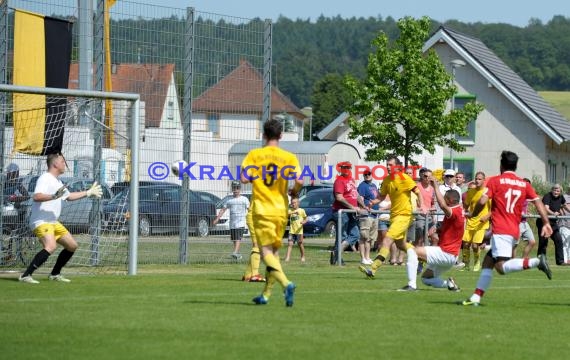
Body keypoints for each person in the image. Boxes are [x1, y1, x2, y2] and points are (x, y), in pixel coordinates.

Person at [461, 151, 553, 306]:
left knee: (501, 267)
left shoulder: (495, 181)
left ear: (501, 164)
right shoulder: (524, 184)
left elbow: (483, 201)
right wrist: (546, 223)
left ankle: (537, 262)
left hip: (501, 230)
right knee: (488, 262)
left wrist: (472, 214)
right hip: (514, 229)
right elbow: (538, 202)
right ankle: (475, 298)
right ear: (515, 166)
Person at [240, 119, 303, 307]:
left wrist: (253, 176)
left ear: (264, 135)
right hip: (281, 210)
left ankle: (286, 284)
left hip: (262, 209)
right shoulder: (289, 157)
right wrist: (294, 191)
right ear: (281, 135)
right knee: (273, 254)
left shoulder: (255, 155)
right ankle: (265, 295)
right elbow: (299, 179)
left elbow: (243, 178)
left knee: (264, 251)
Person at [19, 153, 102, 284]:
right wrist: (53, 196)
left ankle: (55, 274)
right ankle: (26, 275)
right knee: (51, 246)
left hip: (52, 222)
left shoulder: (58, 181)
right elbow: (36, 196)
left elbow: (68, 196)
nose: (65, 164)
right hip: (41, 221)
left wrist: (88, 192)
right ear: (55, 164)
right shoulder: (45, 178)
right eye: (63, 162)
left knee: (72, 246)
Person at [359, 155, 424, 284]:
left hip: (405, 216)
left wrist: (421, 205)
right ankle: (422, 257)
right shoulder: (387, 180)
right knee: (401, 245)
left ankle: (373, 268)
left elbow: (417, 192)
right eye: (387, 164)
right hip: (394, 216)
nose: (388, 167)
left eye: (390, 164)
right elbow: (381, 197)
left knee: (387, 239)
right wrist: (372, 203)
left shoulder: (405, 178)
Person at [402, 177, 464, 291]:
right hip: (451, 257)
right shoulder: (459, 211)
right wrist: (439, 230)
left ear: (450, 200)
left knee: (413, 251)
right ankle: (449, 284)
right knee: (426, 279)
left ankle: (411, 285)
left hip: (446, 253)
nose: (443, 200)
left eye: (445, 198)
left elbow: (442, 205)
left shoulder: (454, 211)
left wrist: (435, 186)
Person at [330, 161, 363, 265]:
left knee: (355, 234)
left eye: (348, 167)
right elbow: (339, 197)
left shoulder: (351, 179)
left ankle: (336, 253)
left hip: (351, 212)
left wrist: (363, 205)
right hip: (342, 212)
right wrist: (352, 207)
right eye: (344, 167)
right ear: (340, 169)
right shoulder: (339, 180)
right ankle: (338, 257)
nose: (347, 169)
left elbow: (356, 194)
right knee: (342, 236)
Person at [461, 171, 491, 272]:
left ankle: (477, 262)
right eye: (476, 179)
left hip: (481, 223)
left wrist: (487, 216)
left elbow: (494, 209)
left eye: (479, 179)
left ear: (483, 180)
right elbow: (466, 205)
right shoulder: (470, 192)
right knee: (465, 244)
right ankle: (466, 264)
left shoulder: (487, 192)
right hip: (470, 221)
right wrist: (464, 212)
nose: (477, 181)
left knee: (474, 245)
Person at [213, 180, 250, 260]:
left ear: (240, 189)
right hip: (232, 223)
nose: (236, 190)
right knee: (234, 239)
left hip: (241, 223)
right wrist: (217, 219)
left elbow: (249, 209)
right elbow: (223, 210)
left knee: (237, 238)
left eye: (237, 188)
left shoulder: (244, 199)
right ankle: (237, 255)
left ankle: (235, 252)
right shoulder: (229, 200)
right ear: (232, 189)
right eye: (234, 188)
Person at [536, 184, 570, 266]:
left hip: (553, 223)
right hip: (544, 222)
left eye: (558, 191)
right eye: (554, 190)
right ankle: (541, 261)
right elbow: (546, 208)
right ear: (552, 190)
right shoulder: (548, 196)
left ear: (560, 192)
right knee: (543, 242)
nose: (556, 192)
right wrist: (553, 213)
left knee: (558, 240)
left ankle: (560, 261)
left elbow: (565, 206)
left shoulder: (561, 197)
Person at [2, 163, 30, 260]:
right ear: (9, 173)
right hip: (2, 210)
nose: (15, 176)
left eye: (16, 174)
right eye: (13, 174)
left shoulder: (17, 183)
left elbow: (26, 195)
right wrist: (7, 198)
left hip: (11, 212)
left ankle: (14, 253)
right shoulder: (3, 181)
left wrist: (17, 198)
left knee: (15, 230)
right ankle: (6, 250)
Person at [357, 169, 380, 265]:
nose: (367, 175)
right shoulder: (363, 186)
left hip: (374, 214)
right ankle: (363, 258)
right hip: (366, 215)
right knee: (364, 237)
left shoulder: (374, 186)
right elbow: (359, 198)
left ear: (372, 175)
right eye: (365, 174)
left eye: (369, 174)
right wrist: (364, 207)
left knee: (371, 238)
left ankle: (368, 257)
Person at [513, 178, 536, 259]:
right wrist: (520, 213)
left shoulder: (527, 196)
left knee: (532, 241)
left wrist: (527, 212)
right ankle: (513, 262)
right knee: (515, 244)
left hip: (524, 222)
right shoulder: (516, 195)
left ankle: (523, 259)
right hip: (517, 222)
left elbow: (525, 207)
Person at [241, 207, 266, 282]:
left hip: (257, 217)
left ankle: (247, 275)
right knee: (257, 245)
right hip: (255, 217)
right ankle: (254, 275)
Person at [285, 197, 307, 262]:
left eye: (295, 203)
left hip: (299, 231)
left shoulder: (302, 210)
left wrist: (303, 222)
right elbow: (287, 213)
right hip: (292, 231)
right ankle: (287, 257)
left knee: (300, 244)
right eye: (292, 203)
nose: (293, 204)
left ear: (298, 203)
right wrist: (293, 212)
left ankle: (303, 256)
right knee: (290, 244)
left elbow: (306, 218)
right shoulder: (290, 210)